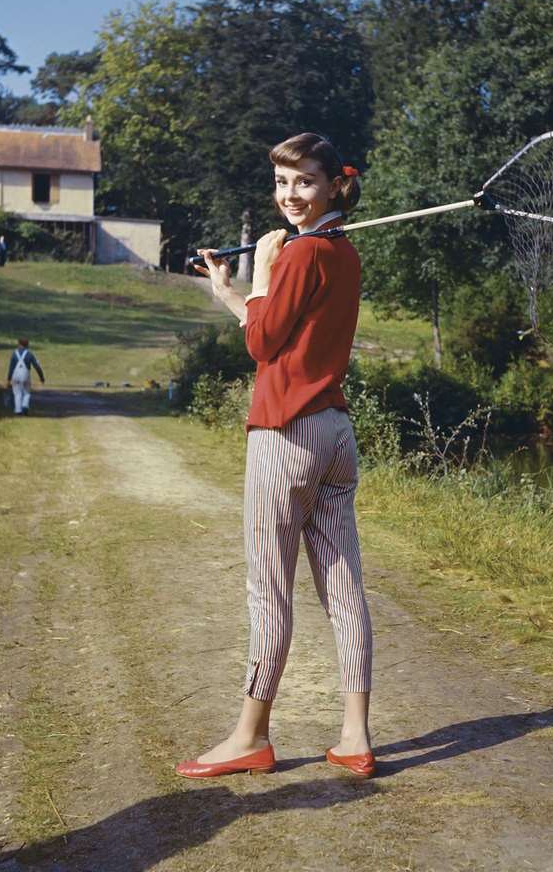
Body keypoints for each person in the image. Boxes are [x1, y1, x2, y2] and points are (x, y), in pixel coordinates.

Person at [176, 133, 374, 781]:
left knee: (269, 594)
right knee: (342, 591)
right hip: (334, 435)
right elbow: (279, 334)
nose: (290, 196)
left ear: (333, 186)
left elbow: (263, 348)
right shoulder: (341, 253)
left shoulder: (297, 256)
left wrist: (264, 269)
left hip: (285, 433)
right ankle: (354, 736)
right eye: (282, 183)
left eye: (305, 183)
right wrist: (227, 291)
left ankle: (249, 737)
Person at [7, 338, 44, 415]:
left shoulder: (14, 353)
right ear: (27, 345)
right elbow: (36, 366)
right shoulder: (29, 354)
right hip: (25, 375)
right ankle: (25, 406)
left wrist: (9, 378)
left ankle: (18, 410)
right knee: (27, 392)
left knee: (17, 393)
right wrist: (41, 377)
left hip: (15, 375)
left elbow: (11, 367)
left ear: (19, 344)